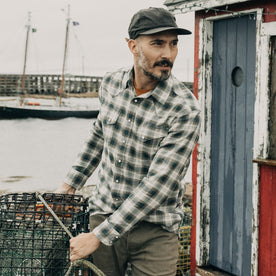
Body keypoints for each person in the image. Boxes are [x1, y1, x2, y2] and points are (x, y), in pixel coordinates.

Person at [56, 7, 200, 276]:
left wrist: (97, 236)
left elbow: (158, 185)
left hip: (154, 232)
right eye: (157, 43)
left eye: (173, 44)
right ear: (133, 45)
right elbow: (99, 136)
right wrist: (69, 186)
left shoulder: (185, 109)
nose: (167, 54)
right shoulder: (110, 84)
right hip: (103, 214)